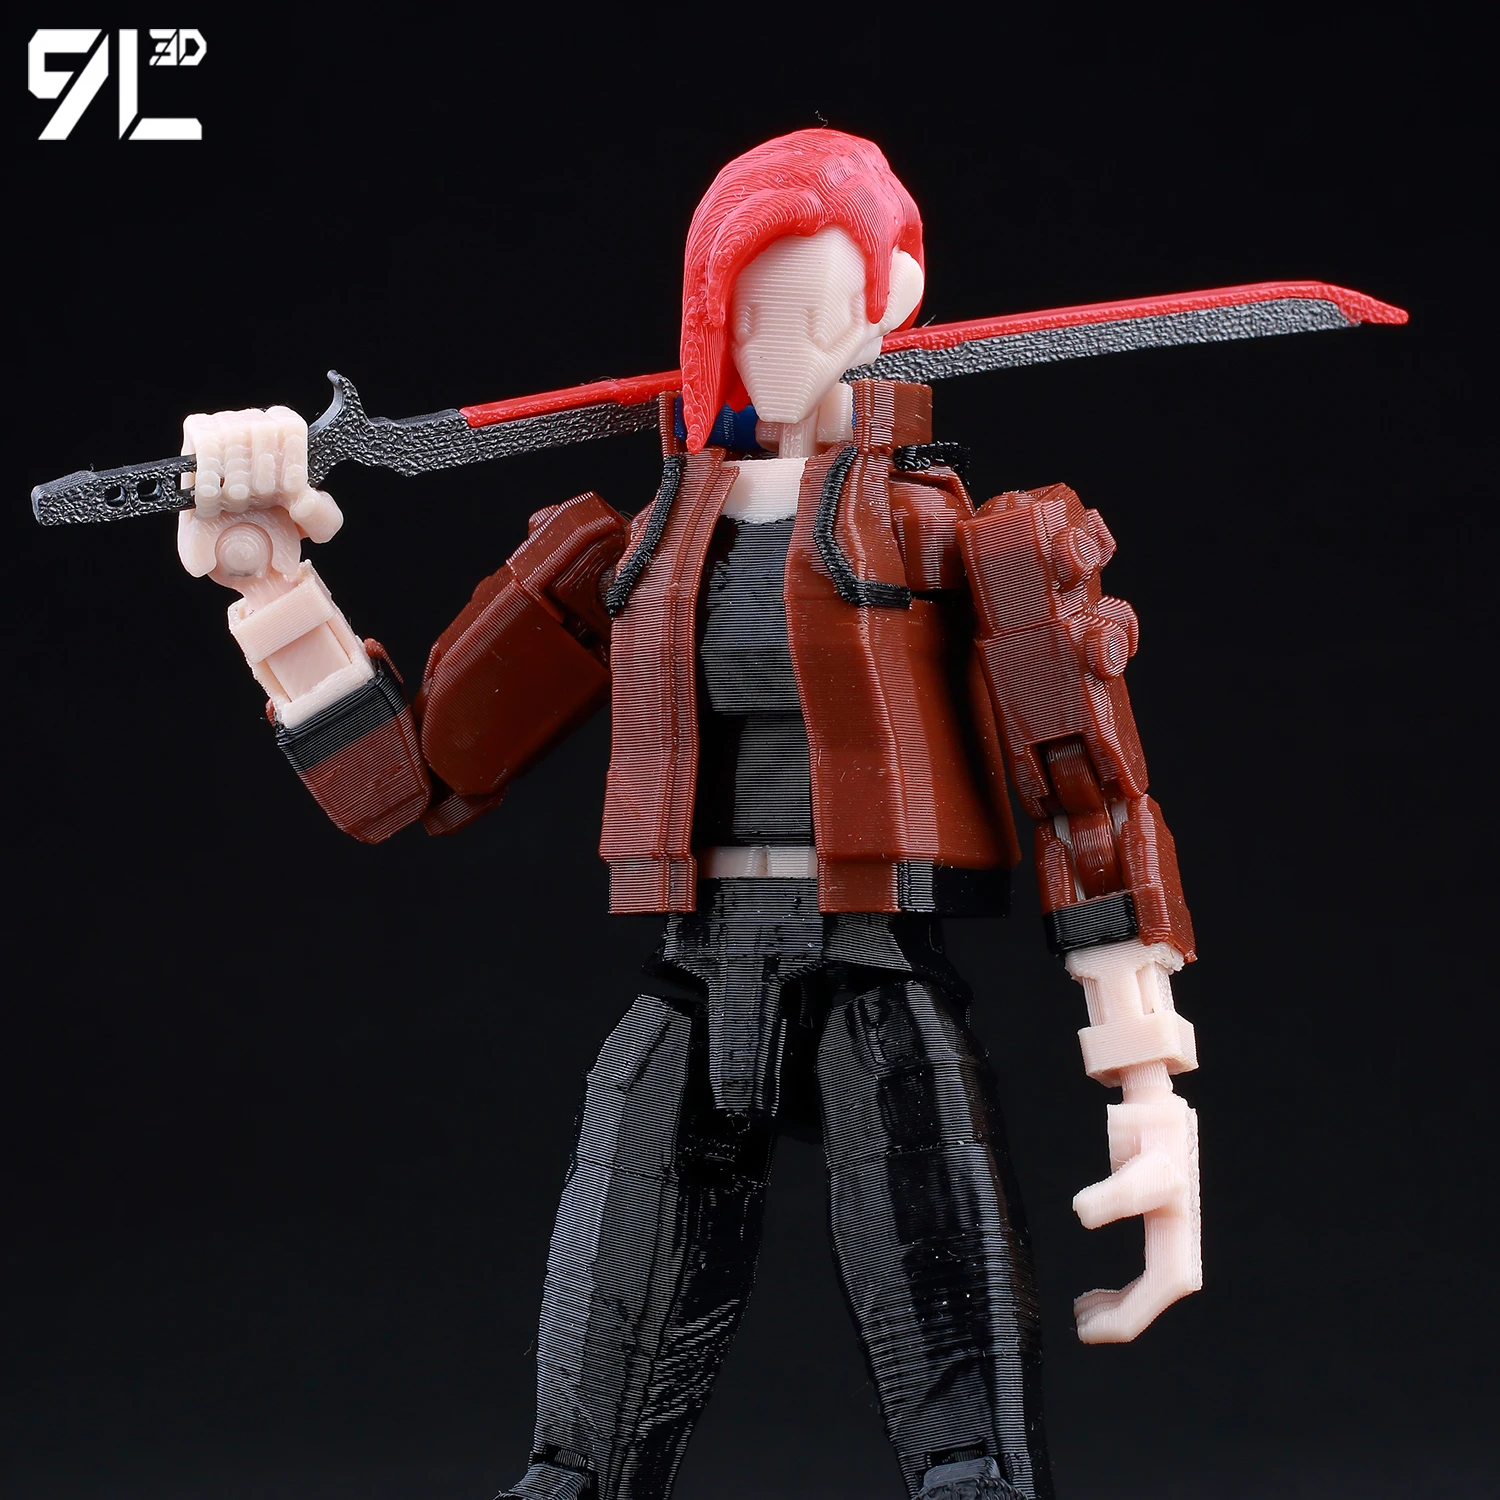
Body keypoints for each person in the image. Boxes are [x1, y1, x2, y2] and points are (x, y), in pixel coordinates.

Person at [172, 129, 1202, 1500]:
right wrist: (270, 583)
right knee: (574, 1459)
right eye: (742, 313)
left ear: (892, 296)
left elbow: (1084, 791)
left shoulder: (966, 540)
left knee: (969, 1452)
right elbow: (405, 783)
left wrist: (1147, 1087)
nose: (770, 348)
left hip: (875, 979)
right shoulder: (638, 554)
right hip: (696, 980)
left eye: (804, 307)